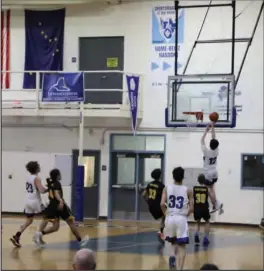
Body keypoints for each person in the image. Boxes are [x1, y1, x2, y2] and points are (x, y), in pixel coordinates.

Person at [33, 168, 89, 247]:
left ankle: (39, 234)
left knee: (55, 227)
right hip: (59, 205)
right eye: (59, 174)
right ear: (57, 176)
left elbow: (50, 192)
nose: (60, 175)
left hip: (52, 206)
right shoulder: (57, 183)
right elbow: (56, 193)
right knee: (71, 223)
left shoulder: (50, 183)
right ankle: (80, 240)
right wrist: (61, 201)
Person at [160, 167, 193, 270]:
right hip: (181, 219)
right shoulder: (188, 190)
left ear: (173, 176)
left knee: (173, 243)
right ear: (183, 177)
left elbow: (161, 204)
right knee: (182, 246)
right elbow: (192, 208)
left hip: (170, 218)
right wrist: (185, 215)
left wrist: (166, 215)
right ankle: (180, 269)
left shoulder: (166, 188)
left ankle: (172, 258)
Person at [10, 161, 47, 247]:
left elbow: (35, 187)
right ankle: (37, 236)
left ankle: (17, 236)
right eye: (38, 166)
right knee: (47, 217)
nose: (40, 167)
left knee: (29, 220)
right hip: (35, 201)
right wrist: (49, 188)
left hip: (28, 201)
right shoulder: (37, 178)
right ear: (36, 168)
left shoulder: (28, 177)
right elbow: (41, 190)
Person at [201, 122, 223, 214]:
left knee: (209, 189)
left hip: (208, 173)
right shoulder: (216, 151)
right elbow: (214, 137)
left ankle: (215, 204)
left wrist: (206, 131)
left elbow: (202, 141)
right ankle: (217, 204)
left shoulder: (207, 151)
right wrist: (213, 126)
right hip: (214, 172)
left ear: (210, 145)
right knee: (212, 188)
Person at [142, 168, 165, 243]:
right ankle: (161, 232)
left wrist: (148, 202)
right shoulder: (161, 186)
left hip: (151, 206)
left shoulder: (149, 184)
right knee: (166, 216)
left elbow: (143, 195)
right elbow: (165, 198)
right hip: (158, 206)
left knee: (163, 217)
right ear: (160, 176)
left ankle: (161, 231)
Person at [193, 174, 212, 246]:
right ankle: (206, 238)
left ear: (198, 181)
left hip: (197, 208)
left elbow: (191, 198)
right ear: (204, 180)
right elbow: (212, 198)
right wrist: (214, 204)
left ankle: (196, 234)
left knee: (198, 222)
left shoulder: (194, 188)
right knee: (207, 221)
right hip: (204, 208)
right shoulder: (207, 189)